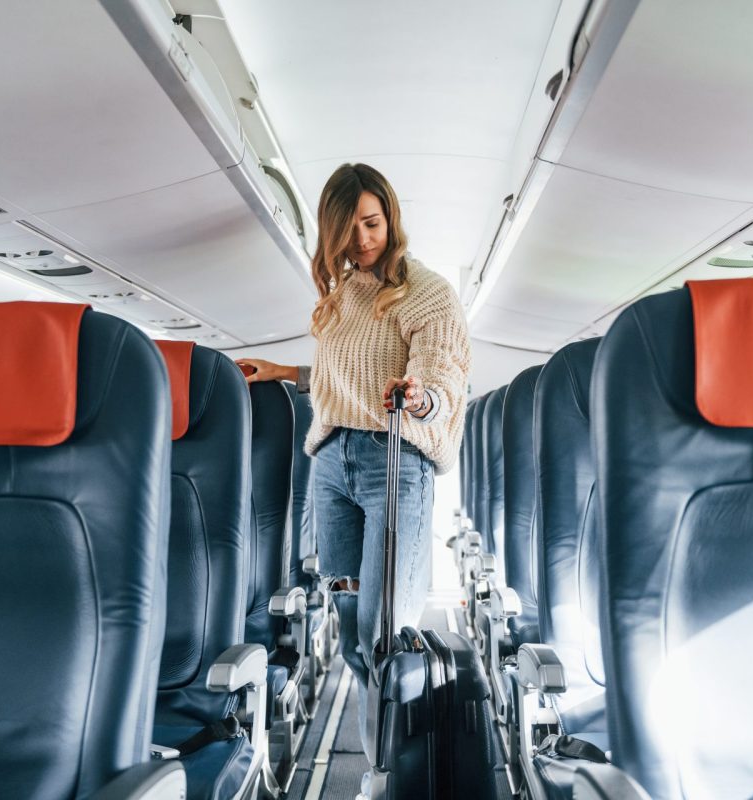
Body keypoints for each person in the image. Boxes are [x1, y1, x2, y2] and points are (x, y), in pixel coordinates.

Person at [237, 162, 471, 777]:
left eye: (373, 223)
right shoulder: (342, 292)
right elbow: (346, 380)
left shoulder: (428, 293)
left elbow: (443, 380)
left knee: (383, 636)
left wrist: (419, 397)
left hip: (393, 463)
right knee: (350, 634)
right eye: (350, 228)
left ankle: (388, 775)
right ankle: (385, 759)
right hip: (332, 466)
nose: (363, 238)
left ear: (390, 218)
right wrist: (284, 373)